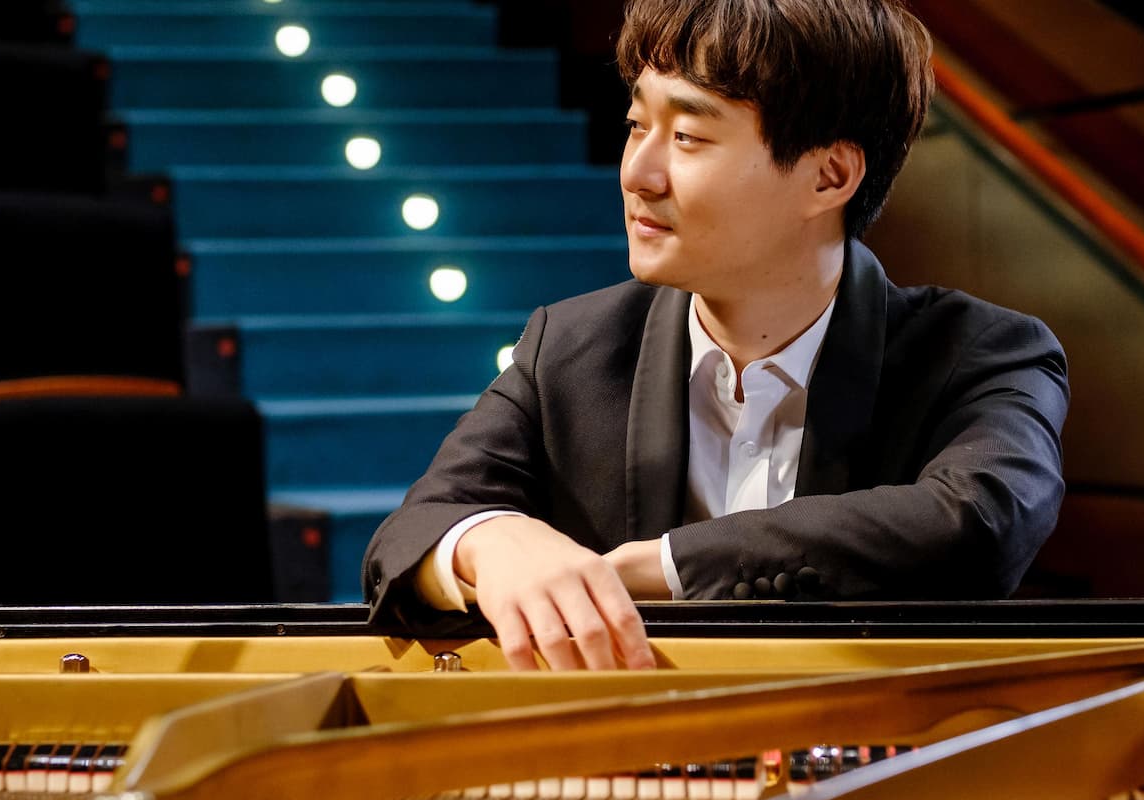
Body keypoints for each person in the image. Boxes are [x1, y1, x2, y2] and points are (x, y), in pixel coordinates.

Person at [361, 0, 1069, 671]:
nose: (638, 174)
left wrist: (655, 566)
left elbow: (977, 522)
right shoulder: (570, 347)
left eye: (689, 137)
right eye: (637, 126)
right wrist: (488, 542)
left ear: (829, 176)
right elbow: (412, 534)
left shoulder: (982, 353)